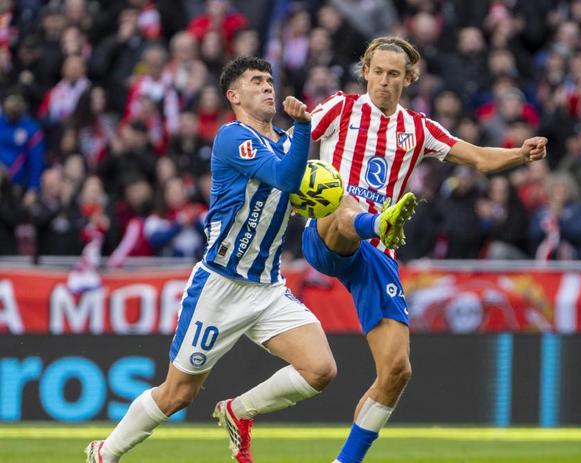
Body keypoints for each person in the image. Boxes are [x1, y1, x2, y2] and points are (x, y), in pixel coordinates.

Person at [302, 36, 547, 463]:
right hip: (328, 234)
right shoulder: (340, 108)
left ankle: (346, 461)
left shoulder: (418, 129)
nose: (384, 81)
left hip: (376, 255)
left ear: (408, 79)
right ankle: (377, 221)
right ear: (366, 72)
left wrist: (521, 155)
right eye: (378, 72)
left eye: (393, 74)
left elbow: (479, 158)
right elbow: (294, 140)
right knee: (343, 200)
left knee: (397, 371)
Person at [85, 57, 337, 463]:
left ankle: (239, 411)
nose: (268, 87)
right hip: (221, 285)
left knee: (320, 369)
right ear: (233, 95)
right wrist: (305, 127)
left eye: (270, 80)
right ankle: (105, 452)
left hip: (268, 287)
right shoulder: (232, 138)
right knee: (178, 394)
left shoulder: (286, 141)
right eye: (256, 81)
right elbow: (287, 179)